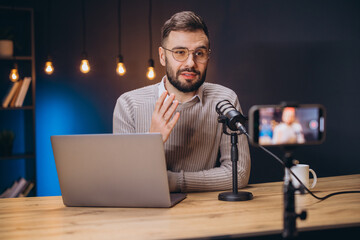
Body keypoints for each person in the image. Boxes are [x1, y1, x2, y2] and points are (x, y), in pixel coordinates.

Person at [113, 11, 250, 192]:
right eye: (180, 52)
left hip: (207, 213)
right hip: (147, 214)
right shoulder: (129, 104)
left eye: (199, 53)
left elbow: (238, 174)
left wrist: (170, 181)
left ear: (208, 56)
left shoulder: (225, 100)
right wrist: (152, 140)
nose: (190, 63)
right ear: (162, 56)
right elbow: (124, 179)